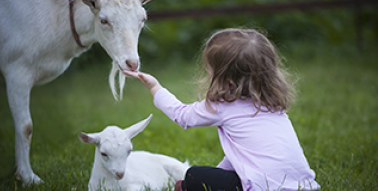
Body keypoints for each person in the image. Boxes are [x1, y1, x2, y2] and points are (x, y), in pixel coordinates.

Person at [123, 28, 320, 191]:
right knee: (204, 176)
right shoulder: (273, 105)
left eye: (210, 70)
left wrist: (155, 87)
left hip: (262, 187)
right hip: (301, 186)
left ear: (228, 80)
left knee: (192, 176)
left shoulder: (223, 105)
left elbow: (182, 116)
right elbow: (242, 154)